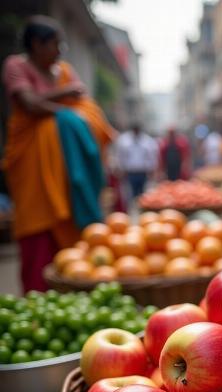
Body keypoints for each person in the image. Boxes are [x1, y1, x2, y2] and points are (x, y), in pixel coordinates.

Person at [2, 15, 115, 292]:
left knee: (73, 235)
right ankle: (37, 298)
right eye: (55, 44)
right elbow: (29, 104)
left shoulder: (62, 69)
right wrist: (63, 102)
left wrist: (63, 112)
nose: (59, 51)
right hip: (32, 168)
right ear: (37, 45)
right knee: (38, 237)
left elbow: (84, 106)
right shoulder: (16, 66)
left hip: (67, 170)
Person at [115, 122, 158, 202]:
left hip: (143, 171)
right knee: (130, 193)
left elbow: (152, 156)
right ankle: (133, 209)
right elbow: (120, 155)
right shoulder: (124, 140)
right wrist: (120, 168)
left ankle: (141, 208)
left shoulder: (147, 140)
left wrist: (152, 169)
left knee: (143, 193)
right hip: (130, 172)